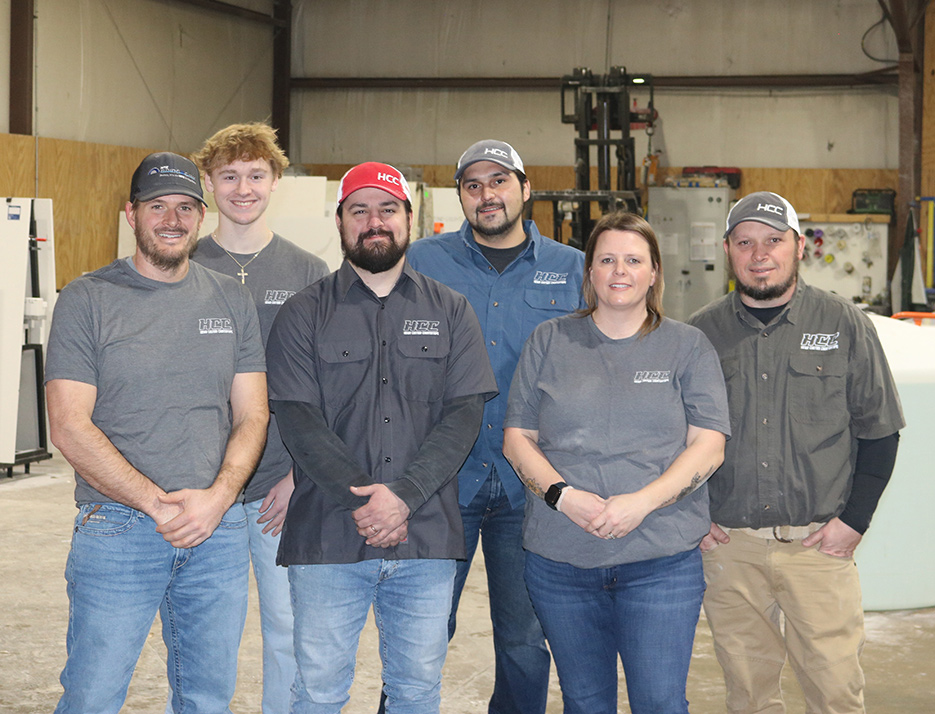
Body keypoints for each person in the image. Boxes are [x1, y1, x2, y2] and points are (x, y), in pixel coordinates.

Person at [265, 162, 497, 713]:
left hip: (426, 538)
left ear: (409, 219)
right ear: (341, 222)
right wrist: (363, 500)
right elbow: (299, 419)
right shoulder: (303, 314)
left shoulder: (451, 310)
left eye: (387, 209)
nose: (374, 221)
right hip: (328, 535)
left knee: (417, 692)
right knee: (319, 691)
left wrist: (404, 497)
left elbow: (463, 416)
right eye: (359, 210)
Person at [46, 152, 269, 714]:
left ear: (201, 215)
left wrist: (218, 500)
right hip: (118, 528)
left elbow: (253, 414)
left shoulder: (231, 298)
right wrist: (156, 504)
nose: (172, 219)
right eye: (157, 206)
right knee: (93, 695)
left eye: (186, 207)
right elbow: (69, 425)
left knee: (207, 698)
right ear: (131, 214)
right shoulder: (87, 299)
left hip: (217, 531)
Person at [502, 211, 730, 714]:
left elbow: (709, 444)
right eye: (606, 260)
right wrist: (564, 499)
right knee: (584, 703)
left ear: (653, 273)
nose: (619, 271)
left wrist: (640, 504)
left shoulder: (687, 345)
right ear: (590, 273)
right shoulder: (549, 341)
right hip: (562, 561)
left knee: (661, 702)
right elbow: (517, 438)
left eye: (633, 260)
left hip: (660, 563)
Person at [687, 191, 904, 714]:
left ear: (798, 247)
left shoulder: (845, 323)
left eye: (773, 240)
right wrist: (692, 516)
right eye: (745, 242)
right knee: (748, 695)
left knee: (834, 693)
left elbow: (880, 431)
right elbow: (671, 438)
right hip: (730, 550)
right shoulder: (698, 335)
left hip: (817, 548)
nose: (760, 254)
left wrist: (854, 523)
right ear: (728, 250)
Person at [405, 139, 584, 713]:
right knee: (420, 636)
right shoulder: (421, 262)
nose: (488, 196)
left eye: (500, 182)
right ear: (459, 195)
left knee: (526, 641)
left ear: (526, 189)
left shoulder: (573, 267)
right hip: (439, 482)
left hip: (528, 487)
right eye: (474, 185)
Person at [189, 122, 328, 714]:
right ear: (209, 183)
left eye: (255, 175)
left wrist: (302, 472)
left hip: (280, 486)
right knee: (203, 637)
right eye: (228, 176)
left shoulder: (307, 272)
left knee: (289, 631)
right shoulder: (182, 262)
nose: (242, 188)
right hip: (200, 484)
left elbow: (328, 386)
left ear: (275, 181)